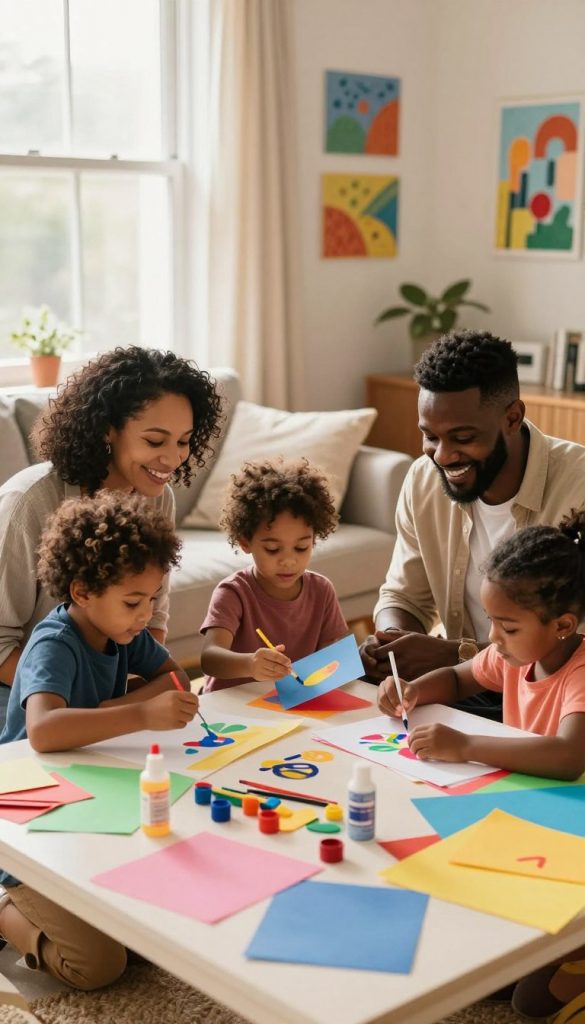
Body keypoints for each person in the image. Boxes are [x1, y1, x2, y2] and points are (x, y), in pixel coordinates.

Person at [377, 507, 585, 1019]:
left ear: (562, 625)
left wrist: (467, 745)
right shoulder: (518, 655)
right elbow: (458, 677)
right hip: (535, 820)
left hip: (573, 835)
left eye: (507, 627)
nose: (494, 638)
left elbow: (567, 756)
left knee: (531, 1003)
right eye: (493, 621)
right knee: (480, 969)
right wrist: (412, 689)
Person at [0, 491, 199, 990]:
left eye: (151, 599)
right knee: (99, 967)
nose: (145, 614)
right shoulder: (55, 642)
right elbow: (45, 731)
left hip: (90, 807)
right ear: (84, 590)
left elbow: (177, 679)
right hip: (31, 819)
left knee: (153, 941)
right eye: (133, 602)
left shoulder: (121, 634)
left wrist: (112, 712)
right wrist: (139, 713)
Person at [361, 330, 585, 719]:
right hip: (458, 683)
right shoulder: (423, 480)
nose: (443, 456)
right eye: (430, 436)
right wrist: (392, 642)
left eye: (463, 438)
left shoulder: (578, 485)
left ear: (513, 418)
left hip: (555, 697)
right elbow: (404, 597)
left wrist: (458, 653)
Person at [0, 345, 222, 723]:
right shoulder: (29, 502)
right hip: (20, 700)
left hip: (94, 702)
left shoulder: (157, 499)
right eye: (155, 441)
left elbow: (152, 619)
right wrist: (91, 708)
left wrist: (118, 705)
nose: (171, 459)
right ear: (107, 429)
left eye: (183, 441)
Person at [200, 458, 347, 690]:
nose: (288, 561)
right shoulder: (234, 592)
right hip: (232, 707)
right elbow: (210, 658)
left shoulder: (321, 590)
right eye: (272, 549)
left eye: (301, 547)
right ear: (245, 542)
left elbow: (333, 659)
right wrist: (249, 665)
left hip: (289, 706)